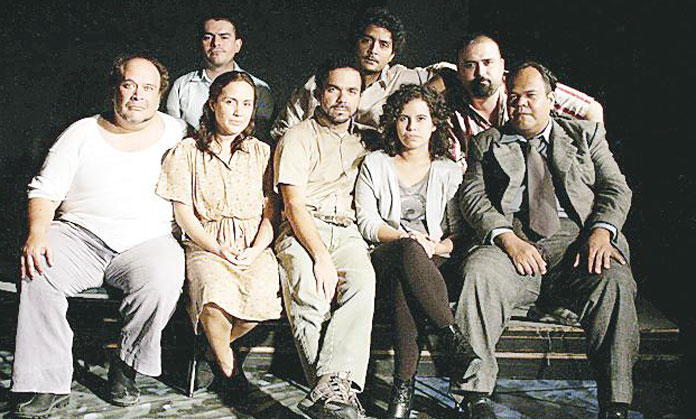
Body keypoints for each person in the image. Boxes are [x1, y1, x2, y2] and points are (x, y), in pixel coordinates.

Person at [454, 62, 638, 419]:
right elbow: (473, 196)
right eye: (514, 97)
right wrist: (507, 239)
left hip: (576, 241)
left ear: (551, 100)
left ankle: (616, 404)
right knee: (479, 271)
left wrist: (601, 231)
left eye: (530, 96)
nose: (520, 103)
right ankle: (473, 397)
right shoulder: (486, 143)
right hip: (512, 241)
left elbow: (616, 188)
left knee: (614, 278)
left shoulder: (585, 135)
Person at [12, 54, 187, 418]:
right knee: (37, 270)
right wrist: (37, 233)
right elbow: (44, 189)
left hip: (147, 242)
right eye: (129, 85)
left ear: (160, 95)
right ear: (115, 90)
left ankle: (126, 366)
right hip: (80, 236)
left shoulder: (179, 133)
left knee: (164, 278)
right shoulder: (81, 132)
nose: (138, 95)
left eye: (148, 88)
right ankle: (48, 383)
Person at [354, 84, 480, 419]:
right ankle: (450, 337)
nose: (411, 127)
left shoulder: (449, 170)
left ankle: (402, 387)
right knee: (407, 253)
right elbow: (367, 222)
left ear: (435, 123)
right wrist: (406, 238)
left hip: (432, 259)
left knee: (405, 284)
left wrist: (436, 246)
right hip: (386, 251)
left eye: (421, 119)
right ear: (394, 123)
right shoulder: (375, 164)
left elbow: (460, 232)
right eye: (404, 119)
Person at [157, 71, 282, 399]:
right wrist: (215, 248)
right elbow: (183, 213)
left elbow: (271, 213)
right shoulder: (187, 151)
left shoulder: (262, 153)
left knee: (261, 302)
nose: (239, 111)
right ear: (213, 104)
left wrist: (255, 249)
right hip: (206, 242)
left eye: (247, 104)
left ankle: (210, 350)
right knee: (214, 297)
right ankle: (231, 374)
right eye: (230, 102)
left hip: (251, 244)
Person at [274, 56, 376, 419]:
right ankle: (335, 399)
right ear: (319, 93)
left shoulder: (366, 140)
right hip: (304, 227)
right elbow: (293, 205)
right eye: (334, 89)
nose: (342, 99)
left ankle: (330, 396)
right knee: (310, 291)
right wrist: (319, 257)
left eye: (352, 91)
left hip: (347, 230)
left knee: (362, 284)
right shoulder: (297, 136)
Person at [270, 6, 453, 141]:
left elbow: (451, 71)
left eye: (383, 45)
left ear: (392, 54)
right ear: (356, 43)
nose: (373, 50)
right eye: (367, 41)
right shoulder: (322, 81)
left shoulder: (401, 78)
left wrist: (421, 96)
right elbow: (282, 131)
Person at [432, 33, 604, 167]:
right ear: (459, 71)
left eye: (488, 63)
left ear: (502, 65)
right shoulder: (450, 106)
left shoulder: (524, 85)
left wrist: (587, 165)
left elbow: (591, 109)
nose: (481, 73)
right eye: (470, 65)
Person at [166, 15, 274, 142]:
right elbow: (171, 134)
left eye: (224, 37)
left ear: (237, 45)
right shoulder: (181, 86)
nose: (216, 43)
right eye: (208, 37)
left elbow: (262, 137)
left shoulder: (259, 89)